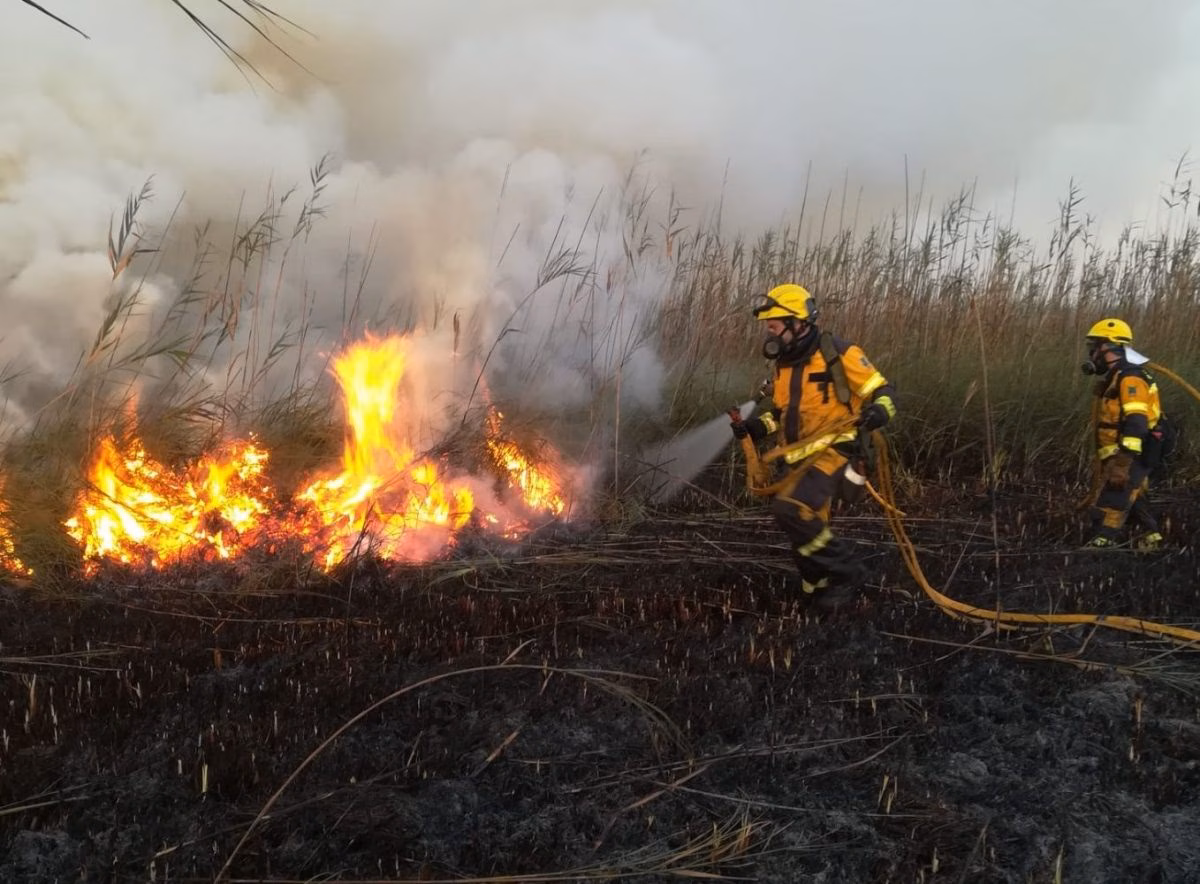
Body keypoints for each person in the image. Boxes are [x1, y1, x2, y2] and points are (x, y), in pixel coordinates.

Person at [731, 283, 896, 610]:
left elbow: (884, 390)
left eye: (775, 327)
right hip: (798, 458)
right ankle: (815, 590)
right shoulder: (783, 367)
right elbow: (779, 416)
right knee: (805, 528)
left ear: (798, 323)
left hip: (836, 449)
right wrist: (754, 427)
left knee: (790, 509)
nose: (770, 334)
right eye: (769, 328)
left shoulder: (840, 353)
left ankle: (849, 572)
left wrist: (879, 412)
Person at [1080, 318, 1165, 550]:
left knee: (1115, 496)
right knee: (1134, 494)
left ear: (1108, 347)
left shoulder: (1130, 378)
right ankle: (1150, 537)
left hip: (1132, 451)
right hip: (1121, 451)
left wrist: (1122, 464)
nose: (1092, 353)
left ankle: (1103, 541)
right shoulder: (1118, 376)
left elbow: (1136, 423)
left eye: (1095, 346)